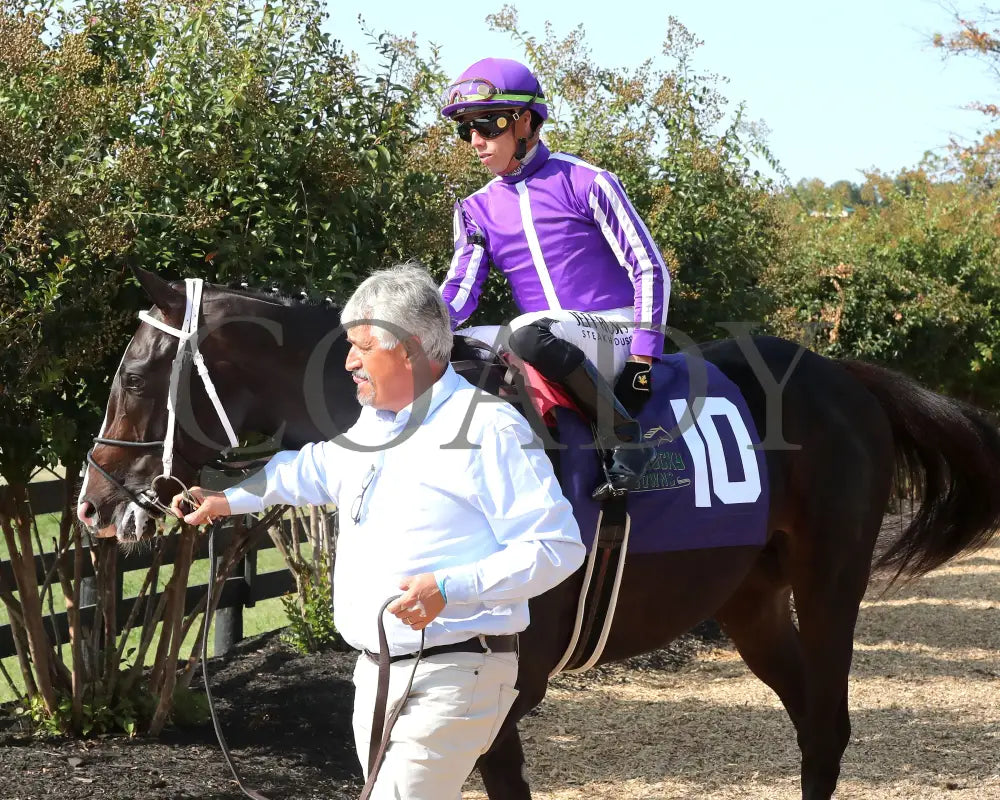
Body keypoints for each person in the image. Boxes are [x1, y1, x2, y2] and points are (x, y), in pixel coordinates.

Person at [172, 264, 586, 799]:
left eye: (362, 346)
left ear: (410, 349)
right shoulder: (377, 422)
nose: (348, 362)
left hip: (456, 672)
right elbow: (317, 468)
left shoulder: (486, 427)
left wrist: (449, 587)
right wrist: (228, 499)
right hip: (378, 672)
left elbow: (557, 546)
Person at [439, 57, 673, 500]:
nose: (475, 141)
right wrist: (413, 331)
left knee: (527, 330)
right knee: (447, 344)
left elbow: (649, 268)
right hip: (547, 337)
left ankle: (623, 436)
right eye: (466, 129)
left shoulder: (588, 181)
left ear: (525, 121)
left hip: (615, 329)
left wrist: (644, 359)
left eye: (487, 126)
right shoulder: (474, 209)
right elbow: (459, 289)